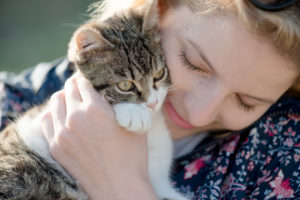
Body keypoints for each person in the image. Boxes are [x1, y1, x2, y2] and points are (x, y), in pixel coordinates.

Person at [0, 0, 299, 199]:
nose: (199, 115)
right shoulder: (9, 102)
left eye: (247, 101)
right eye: (193, 62)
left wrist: (124, 187)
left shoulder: (285, 154)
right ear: (157, 10)